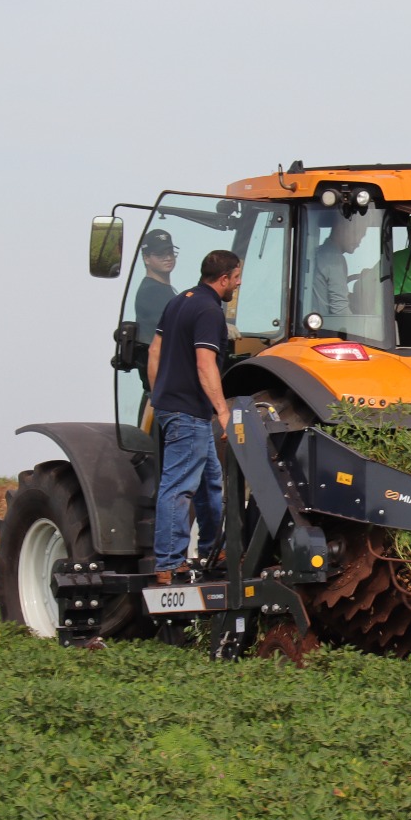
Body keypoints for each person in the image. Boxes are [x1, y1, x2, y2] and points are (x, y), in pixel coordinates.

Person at [146, 250, 243, 585]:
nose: (239, 283)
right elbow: (205, 365)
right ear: (224, 278)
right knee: (179, 487)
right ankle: (169, 563)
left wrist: (158, 397)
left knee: (209, 483)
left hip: (175, 408)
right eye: (237, 277)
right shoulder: (209, 311)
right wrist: (224, 412)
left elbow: (154, 351)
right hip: (189, 412)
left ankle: (213, 548)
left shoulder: (179, 301)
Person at [310, 212, 370, 316]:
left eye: (361, 237)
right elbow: (340, 311)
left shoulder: (317, 253)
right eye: (356, 233)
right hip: (326, 328)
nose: (359, 242)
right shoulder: (334, 259)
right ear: (339, 228)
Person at [133, 229, 179, 344]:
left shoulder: (164, 289)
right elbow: (177, 325)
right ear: (146, 258)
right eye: (160, 254)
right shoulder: (150, 292)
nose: (168, 258)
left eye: (170, 252)